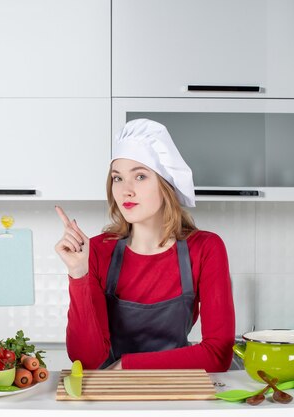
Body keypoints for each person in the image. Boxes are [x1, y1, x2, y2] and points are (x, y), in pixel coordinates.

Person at [54, 118, 234, 371]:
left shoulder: (205, 248)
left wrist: (128, 365)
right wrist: (78, 274)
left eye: (140, 176)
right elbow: (87, 359)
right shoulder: (94, 251)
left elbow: (218, 354)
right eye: (118, 178)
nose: (125, 190)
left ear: (166, 184)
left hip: (177, 390)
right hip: (110, 394)